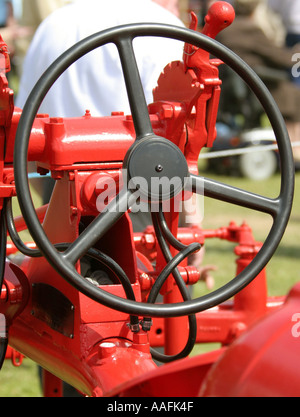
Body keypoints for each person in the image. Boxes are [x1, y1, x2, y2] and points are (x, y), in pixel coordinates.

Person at [217, 0, 300, 162]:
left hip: (239, 87)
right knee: (295, 96)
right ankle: (294, 148)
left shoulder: (225, 32)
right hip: (259, 87)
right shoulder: (251, 30)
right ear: (255, 10)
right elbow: (282, 59)